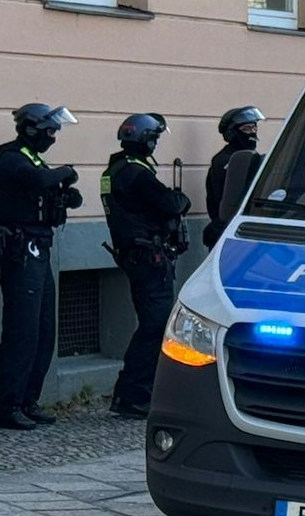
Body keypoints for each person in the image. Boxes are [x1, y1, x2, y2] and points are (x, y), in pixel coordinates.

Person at [0, 104, 82, 431]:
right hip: (20, 248)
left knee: (43, 329)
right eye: (49, 130)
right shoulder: (11, 158)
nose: (53, 137)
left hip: (39, 245)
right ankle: (7, 405)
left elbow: (46, 186)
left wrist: (64, 197)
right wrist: (64, 173)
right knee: (22, 330)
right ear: (31, 129)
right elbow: (39, 179)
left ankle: (28, 399)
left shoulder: (33, 157)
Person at [101, 114, 190, 418]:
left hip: (136, 254)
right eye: (155, 138)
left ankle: (134, 392)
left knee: (152, 324)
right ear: (146, 139)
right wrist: (180, 199)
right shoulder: (137, 173)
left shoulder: (115, 169)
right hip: (147, 256)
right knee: (155, 326)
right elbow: (172, 203)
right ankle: (134, 394)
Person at [203, 106, 264, 249]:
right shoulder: (226, 161)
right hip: (228, 227)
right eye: (247, 129)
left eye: (254, 128)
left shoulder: (250, 157)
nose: (253, 133)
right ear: (232, 133)